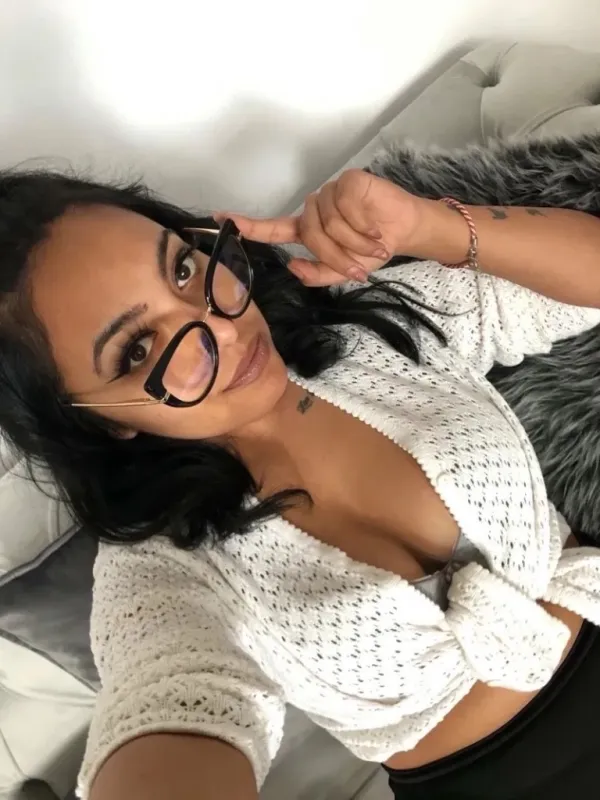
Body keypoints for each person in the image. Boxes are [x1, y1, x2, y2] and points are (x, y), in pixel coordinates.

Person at [1, 166, 600, 800]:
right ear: (94, 421)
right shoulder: (161, 568)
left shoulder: (370, 328)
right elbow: (168, 702)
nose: (223, 328)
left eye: (182, 269)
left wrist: (429, 225)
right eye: (138, 349)